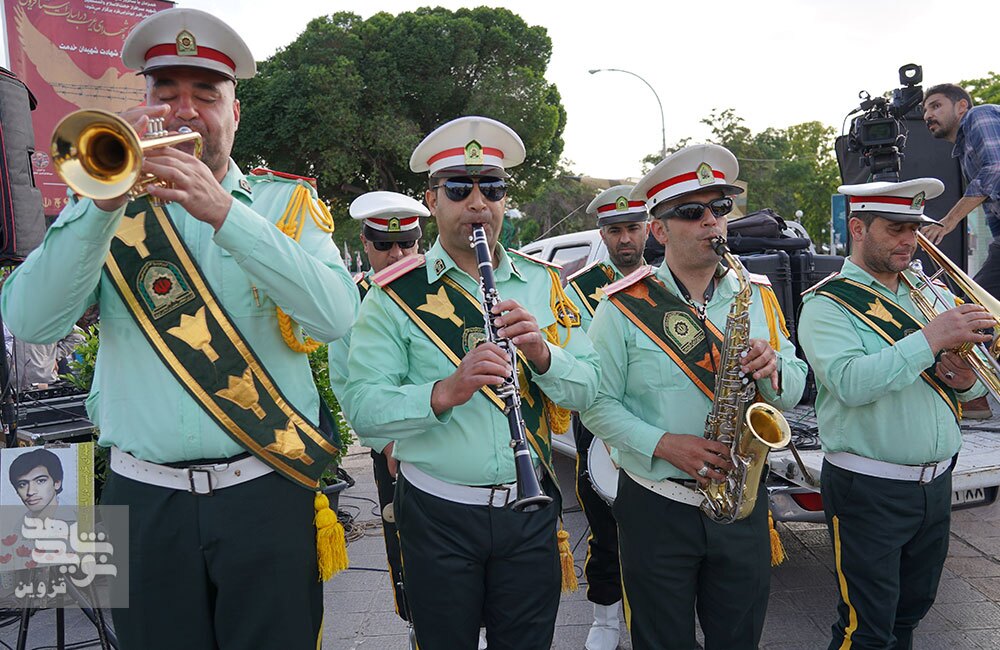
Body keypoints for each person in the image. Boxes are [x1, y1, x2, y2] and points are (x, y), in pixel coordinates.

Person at [0, 8, 358, 649]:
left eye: (206, 95)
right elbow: (30, 319)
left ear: (235, 113)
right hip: (143, 499)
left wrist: (226, 215)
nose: (184, 111)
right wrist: (99, 208)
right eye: (165, 93)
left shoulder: (286, 205)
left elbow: (334, 315)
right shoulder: (99, 207)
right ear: (142, 105)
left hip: (266, 489)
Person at [341, 116, 600, 650]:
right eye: (459, 188)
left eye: (493, 188)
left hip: (529, 509)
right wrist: (444, 392)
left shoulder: (542, 282)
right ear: (432, 200)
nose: (478, 203)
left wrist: (543, 354)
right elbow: (362, 407)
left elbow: (591, 389)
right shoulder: (393, 293)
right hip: (437, 512)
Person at [582, 144, 806, 650]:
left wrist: (774, 368)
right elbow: (596, 405)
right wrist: (664, 444)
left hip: (741, 500)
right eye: (691, 212)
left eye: (720, 208)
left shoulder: (756, 294)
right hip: (657, 504)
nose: (712, 222)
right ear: (659, 230)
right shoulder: (622, 307)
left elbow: (793, 388)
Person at [798, 179, 991, 650]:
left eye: (915, 229)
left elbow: (973, 390)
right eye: (896, 228)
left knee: (908, 618)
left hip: (936, 483)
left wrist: (966, 380)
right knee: (865, 630)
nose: (910, 240)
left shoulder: (929, 293)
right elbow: (850, 383)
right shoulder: (827, 303)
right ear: (858, 228)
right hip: (869, 488)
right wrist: (930, 339)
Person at [328, 190, 428, 629]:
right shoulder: (353, 300)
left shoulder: (441, 288)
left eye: (406, 243)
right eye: (385, 244)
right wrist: (386, 444)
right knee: (407, 547)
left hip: (449, 439)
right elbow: (347, 385)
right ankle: (420, 626)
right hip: (392, 448)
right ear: (366, 244)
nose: (397, 254)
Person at [565, 184, 648, 650]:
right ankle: (605, 619)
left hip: (654, 421)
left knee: (660, 531)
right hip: (598, 422)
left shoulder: (666, 283)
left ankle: (654, 622)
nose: (625, 239)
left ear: (648, 229)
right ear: (602, 234)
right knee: (604, 523)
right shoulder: (577, 289)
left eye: (632, 227)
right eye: (615, 231)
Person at [922, 83, 1000, 418]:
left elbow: (995, 170)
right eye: (926, 110)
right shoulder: (963, 151)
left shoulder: (979, 117)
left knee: (972, 312)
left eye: (936, 106)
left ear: (962, 107)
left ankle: (974, 395)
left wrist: (947, 222)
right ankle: (976, 395)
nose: (928, 115)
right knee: (974, 311)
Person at [9, 448, 64, 520]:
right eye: (22, 485)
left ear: (57, 483)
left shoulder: (76, 519)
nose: (30, 492)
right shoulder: (18, 524)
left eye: (40, 481)